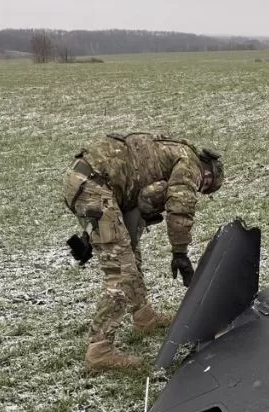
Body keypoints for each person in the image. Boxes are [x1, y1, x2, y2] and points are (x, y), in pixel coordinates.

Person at [62, 132, 225, 370]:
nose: (200, 188)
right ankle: (100, 350)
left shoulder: (172, 152)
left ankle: (143, 317)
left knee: (129, 255)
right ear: (207, 173)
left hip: (89, 181)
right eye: (206, 187)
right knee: (120, 271)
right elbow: (180, 206)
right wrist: (179, 252)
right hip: (95, 186)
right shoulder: (189, 163)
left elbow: (138, 192)